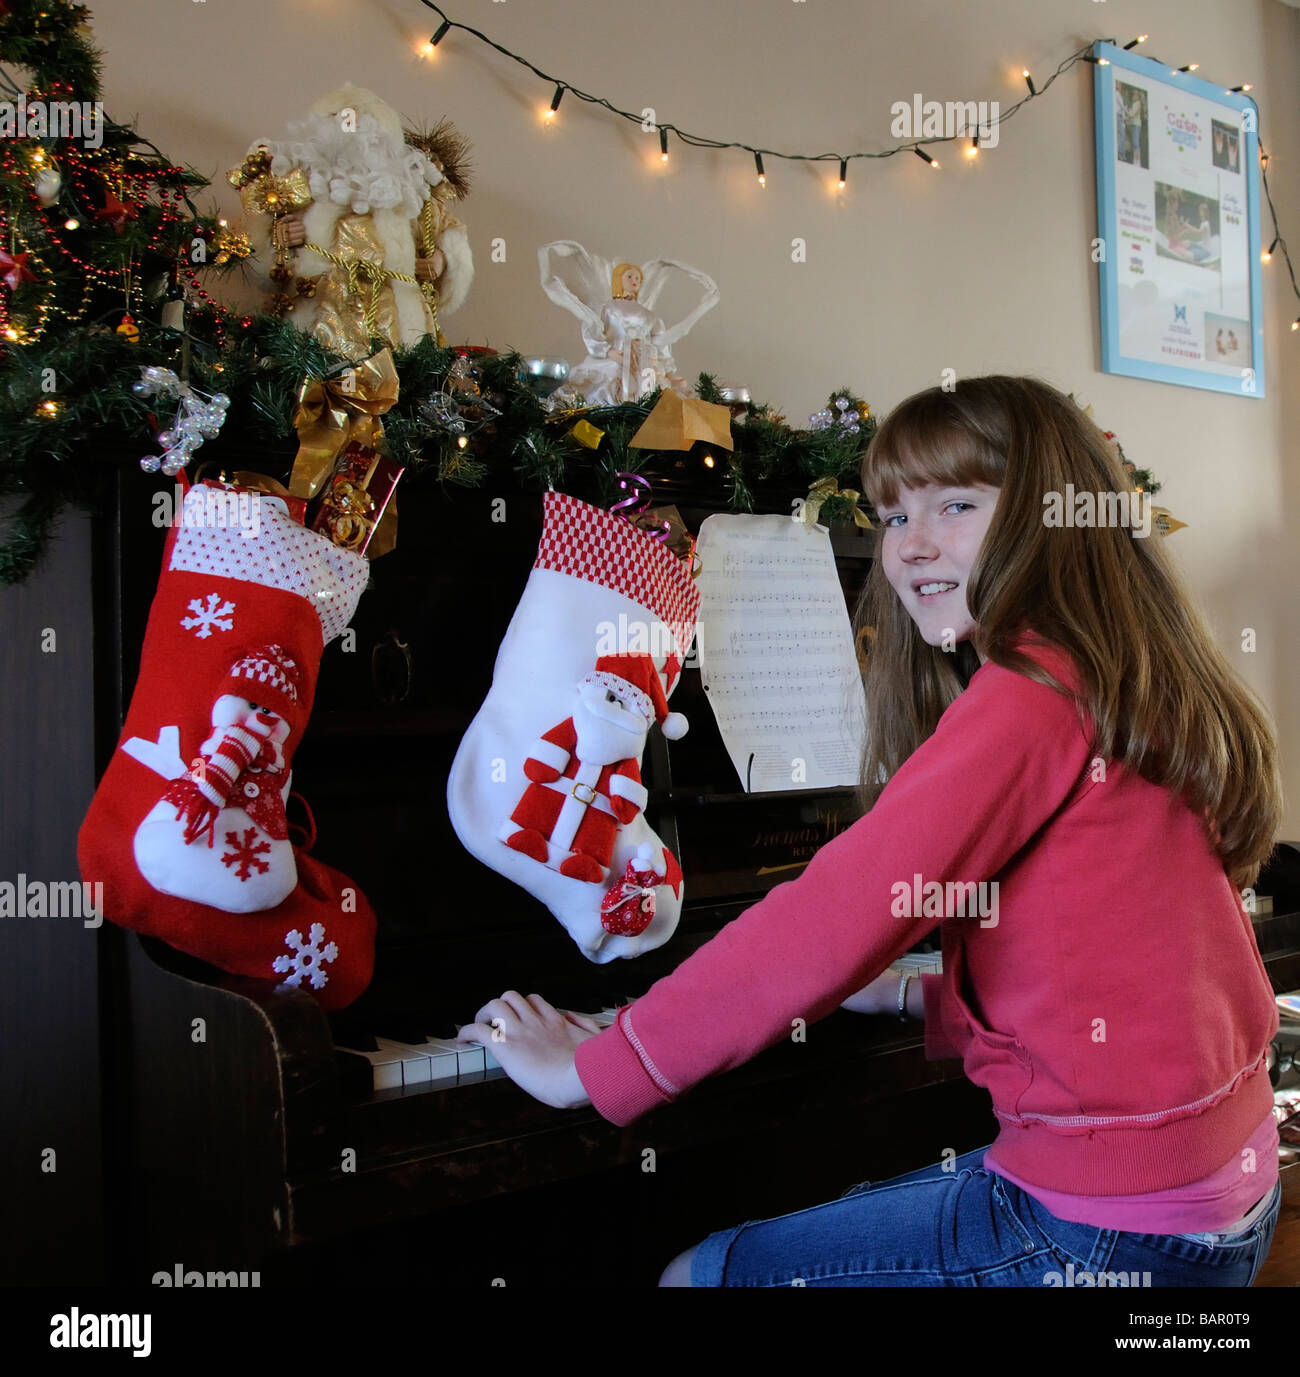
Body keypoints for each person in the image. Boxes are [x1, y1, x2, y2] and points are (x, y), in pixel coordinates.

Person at [459, 375, 1283, 1287]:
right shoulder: (1126, 679)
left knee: (699, 1274)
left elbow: (828, 919)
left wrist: (601, 1065)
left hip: (1104, 1231)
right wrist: (917, 999)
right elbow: (1122, 965)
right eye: (891, 517)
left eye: (956, 504)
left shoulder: (1030, 696)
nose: (910, 545)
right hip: (1218, 1195)